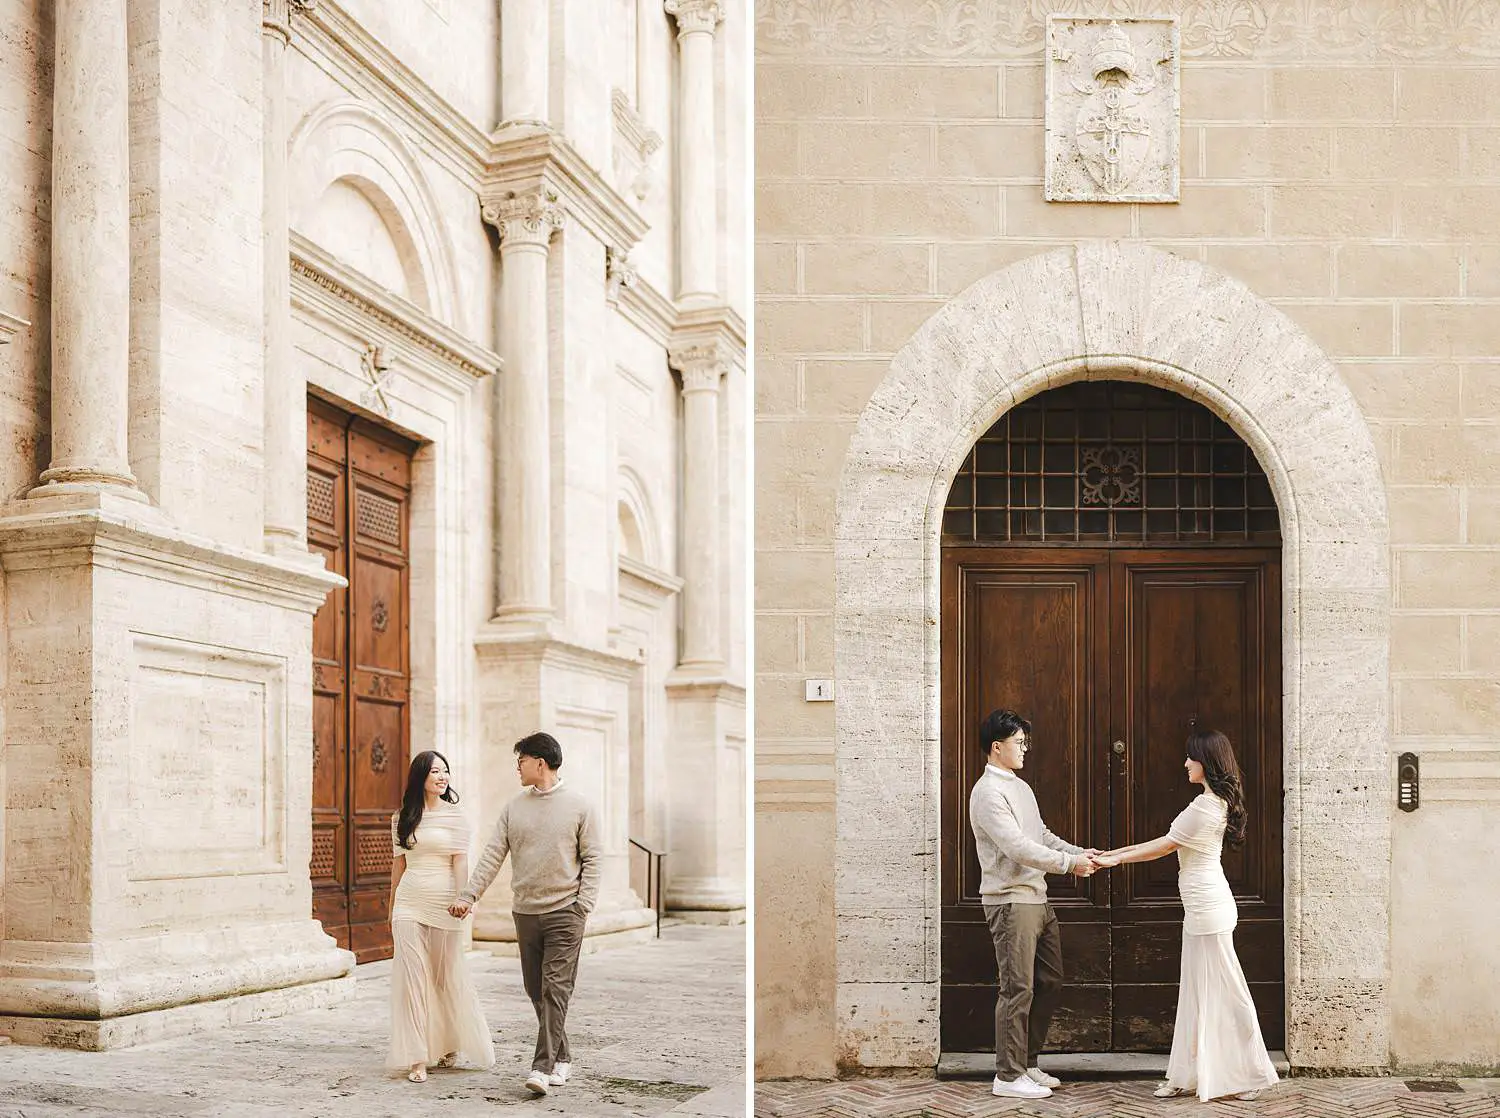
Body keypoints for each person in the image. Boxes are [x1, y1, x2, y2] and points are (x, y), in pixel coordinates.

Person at [1092, 729, 1279, 1103]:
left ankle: (1252, 1074)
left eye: (1190, 758)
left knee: (1227, 994)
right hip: (1201, 909)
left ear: (1205, 762)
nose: (1185, 763)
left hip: (1209, 910)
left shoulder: (1205, 807)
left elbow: (1163, 846)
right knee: (1195, 993)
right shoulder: (1211, 803)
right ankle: (1187, 1074)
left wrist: (1114, 858)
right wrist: (1112, 853)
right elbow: (1163, 840)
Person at [448, 731, 601, 1097]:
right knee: (536, 988)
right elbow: (492, 854)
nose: (517, 768)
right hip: (526, 912)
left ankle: (542, 1067)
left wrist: (584, 906)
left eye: (521, 761)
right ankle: (562, 1055)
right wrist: (470, 895)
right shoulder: (514, 807)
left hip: (566, 911)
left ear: (540, 763)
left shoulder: (580, 805)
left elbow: (594, 858)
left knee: (555, 988)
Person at [969, 709, 1099, 1100]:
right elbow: (1016, 847)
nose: (1025, 748)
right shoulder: (987, 793)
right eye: (1019, 742)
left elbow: (1040, 835)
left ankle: (1027, 1063)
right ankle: (1007, 1077)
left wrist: (1080, 852)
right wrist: (1068, 865)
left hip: (1037, 899)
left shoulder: (1020, 788)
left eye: (1025, 742)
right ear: (997, 747)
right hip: (1010, 902)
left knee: (1049, 981)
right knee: (1017, 988)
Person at [386, 750, 495, 1082]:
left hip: (445, 903)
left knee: (444, 976)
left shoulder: (456, 817)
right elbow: (398, 866)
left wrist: (465, 899)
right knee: (413, 979)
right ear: (421, 776)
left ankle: (448, 1043)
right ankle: (417, 1056)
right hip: (409, 902)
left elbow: (460, 861)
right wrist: (391, 908)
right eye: (435, 771)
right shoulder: (401, 817)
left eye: (446, 771)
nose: (442, 776)